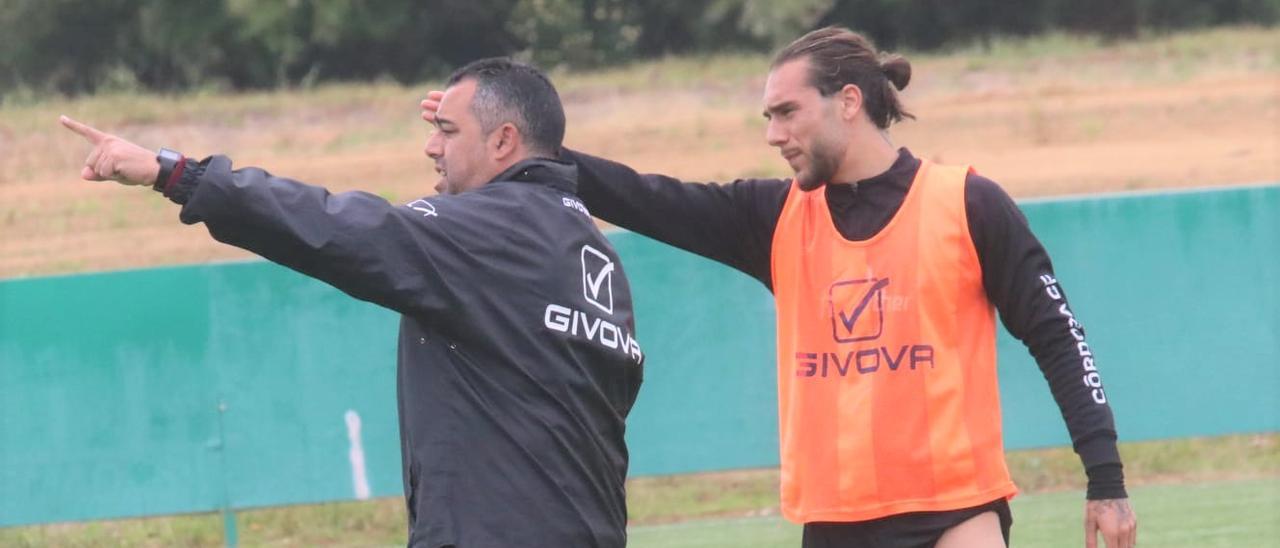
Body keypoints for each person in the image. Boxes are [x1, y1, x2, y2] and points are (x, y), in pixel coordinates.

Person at [426, 27, 1137, 548]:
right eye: (767, 117)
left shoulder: (969, 204)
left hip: (957, 513)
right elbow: (642, 196)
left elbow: (1059, 340)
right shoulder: (775, 217)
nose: (772, 133)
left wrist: (1104, 479)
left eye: (785, 112)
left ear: (848, 101)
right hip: (831, 523)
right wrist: (511, 140)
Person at [62, 58, 644, 548]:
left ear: (503, 141)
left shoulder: (487, 229)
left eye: (447, 129)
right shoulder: (597, 256)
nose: (430, 146)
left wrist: (180, 176)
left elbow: (335, 229)